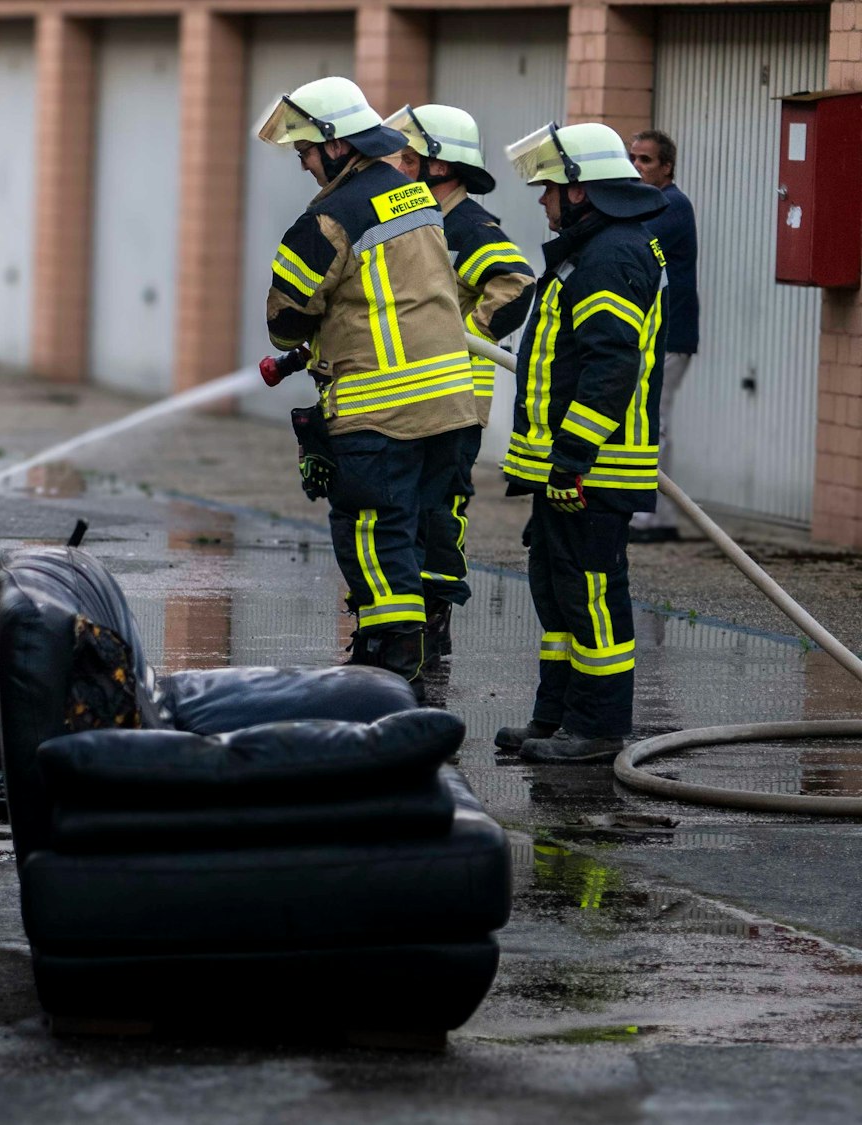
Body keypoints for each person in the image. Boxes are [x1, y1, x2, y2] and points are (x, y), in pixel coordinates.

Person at [257, 76, 481, 686]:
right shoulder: (416, 197)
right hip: (449, 406)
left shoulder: (328, 218)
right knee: (413, 532)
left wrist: (314, 329)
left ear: (337, 145)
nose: (303, 162)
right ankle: (408, 656)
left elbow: (284, 321)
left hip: (380, 412)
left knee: (370, 531)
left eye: (306, 149)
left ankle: (387, 664)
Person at [495, 121, 667, 763]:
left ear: (581, 190)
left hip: (593, 468)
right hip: (568, 468)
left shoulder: (611, 255)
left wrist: (571, 460)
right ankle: (557, 717)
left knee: (591, 594)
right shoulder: (591, 248)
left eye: (549, 189)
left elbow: (610, 367)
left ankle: (597, 728)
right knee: (560, 590)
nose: (543, 200)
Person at [385, 104, 536, 664]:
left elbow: (516, 281)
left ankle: (435, 623)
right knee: (407, 509)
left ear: (441, 166)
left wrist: (464, 333)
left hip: (456, 402)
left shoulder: (467, 225)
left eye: (409, 158)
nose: (399, 167)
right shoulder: (418, 218)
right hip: (418, 397)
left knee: (438, 511)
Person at [628, 128, 698, 543]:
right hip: (656, 331)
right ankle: (658, 514)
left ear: (666, 167)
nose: (636, 166)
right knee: (651, 419)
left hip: (670, 332)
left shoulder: (671, 205)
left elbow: (637, 244)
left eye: (646, 160)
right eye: (632, 158)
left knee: (656, 421)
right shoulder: (651, 203)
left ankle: (652, 517)